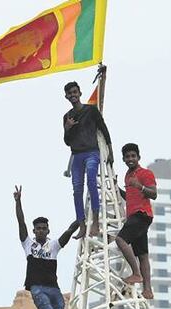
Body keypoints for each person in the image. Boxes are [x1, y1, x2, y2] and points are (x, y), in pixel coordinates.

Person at [15, 185, 81, 309]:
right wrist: (18, 202)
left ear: (48, 230)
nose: (41, 230)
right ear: (34, 231)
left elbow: (69, 230)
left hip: (54, 289)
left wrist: (82, 215)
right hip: (38, 289)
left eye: (44, 228)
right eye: (38, 228)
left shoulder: (53, 246)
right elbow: (21, 222)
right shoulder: (29, 245)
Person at [62, 79, 113, 237]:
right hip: (77, 155)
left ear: (80, 93)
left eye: (75, 92)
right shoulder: (67, 116)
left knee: (92, 180)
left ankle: (96, 223)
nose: (73, 95)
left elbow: (103, 128)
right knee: (77, 190)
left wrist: (110, 150)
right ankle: (82, 225)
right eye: (70, 93)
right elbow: (67, 141)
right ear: (66, 96)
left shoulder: (91, 110)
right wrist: (68, 128)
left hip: (92, 152)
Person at [113, 142, 157, 298]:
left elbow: (153, 194)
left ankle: (136, 273)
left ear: (139, 157)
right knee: (143, 254)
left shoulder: (145, 173)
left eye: (133, 156)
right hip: (135, 216)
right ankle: (148, 289)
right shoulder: (128, 176)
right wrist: (116, 188)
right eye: (127, 156)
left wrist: (140, 186)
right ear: (123, 159)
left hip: (142, 214)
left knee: (120, 240)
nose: (130, 159)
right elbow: (130, 197)